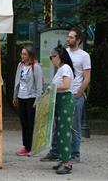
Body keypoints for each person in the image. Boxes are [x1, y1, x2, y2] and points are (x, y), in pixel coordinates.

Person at [41, 28, 91, 163]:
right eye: (68, 37)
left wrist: (79, 92)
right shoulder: (64, 53)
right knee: (58, 126)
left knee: (74, 127)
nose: (68, 39)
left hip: (74, 94)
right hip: (61, 95)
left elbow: (87, 77)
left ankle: (74, 154)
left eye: (71, 37)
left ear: (78, 40)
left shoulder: (84, 55)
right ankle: (55, 151)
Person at [47, 45, 75, 174]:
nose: (51, 58)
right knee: (59, 132)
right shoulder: (61, 69)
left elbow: (66, 85)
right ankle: (63, 158)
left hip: (65, 101)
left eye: (53, 56)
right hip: (60, 102)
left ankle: (67, 163)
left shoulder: (65, 68)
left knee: (64, 132)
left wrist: (52, 87)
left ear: (60, 56)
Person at [13, 44, 43, 157]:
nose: (22, 56)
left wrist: (37, 99)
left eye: (25, 54)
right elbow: (17, 81)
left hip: (31, 98)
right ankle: (25, 146)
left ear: (30, 55)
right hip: (21, 96)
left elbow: (39, 85)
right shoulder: (20, 65)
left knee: (31, 123)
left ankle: (32, 147)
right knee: (24, 123)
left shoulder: (36, 67)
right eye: (22, 54)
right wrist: (15, 96)